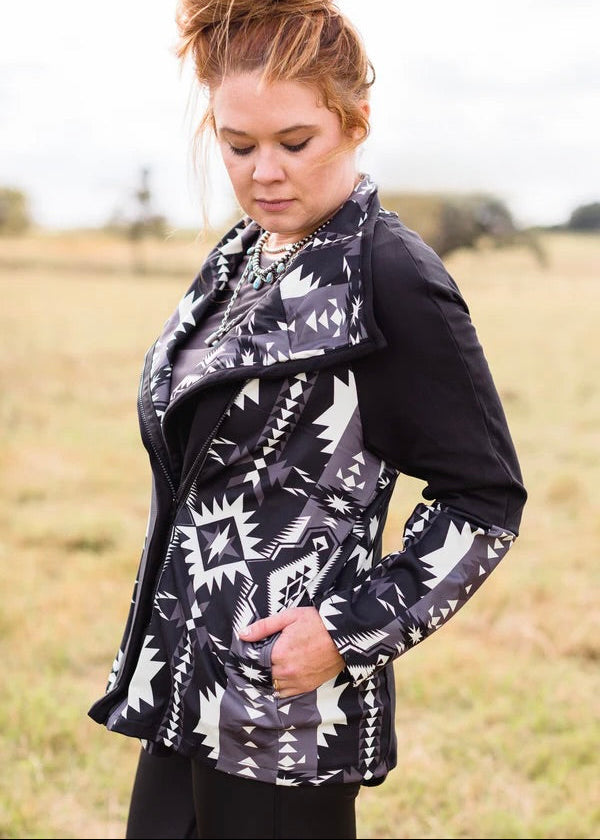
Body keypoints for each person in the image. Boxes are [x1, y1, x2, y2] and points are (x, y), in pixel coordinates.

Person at [88, 1, 527, 837]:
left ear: (355, 120)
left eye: (295, 142)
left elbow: (485, 499)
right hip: (184, 694)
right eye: (238, 145)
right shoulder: (241, 254)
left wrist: (345, 633)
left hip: (283, 720)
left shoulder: (391, 274)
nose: (265, 173)